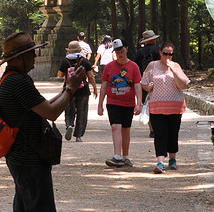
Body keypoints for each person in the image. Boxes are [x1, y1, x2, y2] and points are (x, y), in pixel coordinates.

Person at [0, 31, 86, 212]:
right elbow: (52, 112)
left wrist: (67, 88)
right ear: (21, 58)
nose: (35, 57)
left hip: (20, 157)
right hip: (29, 158)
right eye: (32, 53)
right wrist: (70, 88)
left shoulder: (11, 80)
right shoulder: (19, 83)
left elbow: (47, 106)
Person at [140, 42, 190, 173]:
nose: (167, 56)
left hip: (175, 107)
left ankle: (172, 159)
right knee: (160, 134)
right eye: (165, 53)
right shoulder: (152, 65)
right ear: (160, 53)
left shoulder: (176, 66)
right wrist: (148, 87)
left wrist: (173, 70)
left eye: (170, 54)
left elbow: (183, 84)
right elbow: (143, 83)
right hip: (157, 107)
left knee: (173, 133)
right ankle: (160, 162)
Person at [97, 38, 142, 168]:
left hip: (128, 103)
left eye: (122, 51)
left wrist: (139, 103)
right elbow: (104, 86)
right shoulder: (109, 67)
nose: (120, 54)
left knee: (126, 129)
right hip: (113, 101)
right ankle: (117, 156)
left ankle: (125, 156)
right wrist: (100, 104)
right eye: (117, 52)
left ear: (126, 50)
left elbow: (137, 85)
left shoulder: (133, 67)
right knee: (115, 126)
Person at [57, 40, 96, 142]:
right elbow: (91, 76)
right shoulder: (84, 61)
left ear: (69, 50)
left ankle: (69, 124)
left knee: (69, 110)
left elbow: (60, 75)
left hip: (69, 90)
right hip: (83, 90)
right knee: (82, 112)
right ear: (79, 50)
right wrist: (95, 89)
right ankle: (78, 136)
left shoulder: (65, 61)